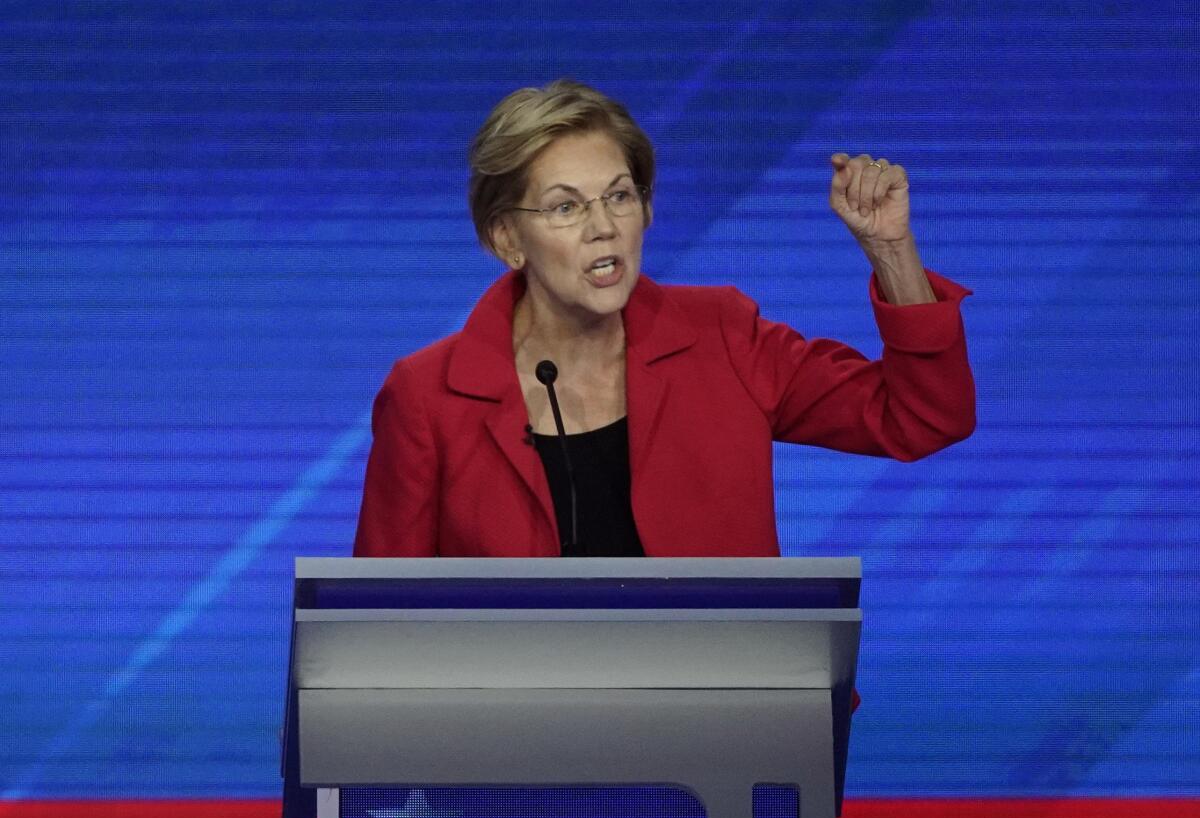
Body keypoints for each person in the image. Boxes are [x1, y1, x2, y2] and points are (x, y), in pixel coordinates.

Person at [353, 79, 974, 559]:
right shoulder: (428, 397)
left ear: (645, 210)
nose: (604, 227)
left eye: (620, 196)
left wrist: (892, 252)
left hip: (725, 716)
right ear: (507, 239)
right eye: (565, 207)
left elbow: (921, 420)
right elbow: (381, 625)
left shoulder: (724, 337)